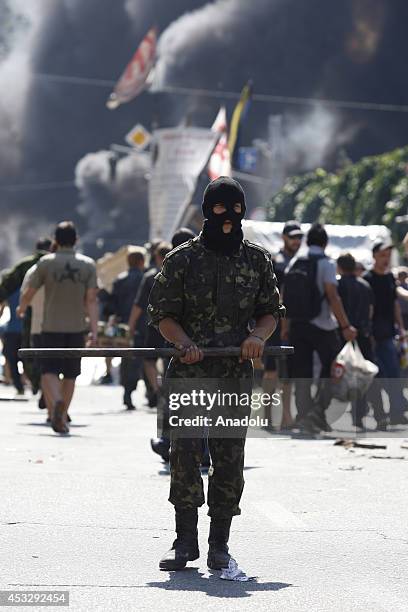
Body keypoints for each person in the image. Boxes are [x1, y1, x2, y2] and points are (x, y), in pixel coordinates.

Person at [148, 176, 284, 571]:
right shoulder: (182, 260)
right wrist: (184, 342)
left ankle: (219, 543)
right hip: (189, 374)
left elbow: (270, 311)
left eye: (235, 209)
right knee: (186, 455)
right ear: (208, 211)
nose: (228, 217)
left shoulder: (256, 259)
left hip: (232, 373)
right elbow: (163, 315)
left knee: (229, 457)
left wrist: (258, 336)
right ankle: (184, 541)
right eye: (221, 209)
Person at [17, 221, 98, 434]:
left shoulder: (46, 263)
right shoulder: (88, 264)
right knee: (71, 375)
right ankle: (62, 415)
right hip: (77, 327)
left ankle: (57, 402)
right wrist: (95, 330)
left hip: (50, 326)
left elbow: (30, 291)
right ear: (76, 240)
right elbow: (91, 300)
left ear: (56, 240)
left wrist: (22, 308)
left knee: (48, 371)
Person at [282, 223, 357, 433]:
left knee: (302, 374)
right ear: (325, 242)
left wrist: (285, 326)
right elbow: (332, 295)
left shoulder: (296, 261)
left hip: (297, 324)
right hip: (322, 324)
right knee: (336, 368)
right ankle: (317, 412)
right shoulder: (326, 263)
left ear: (307, 241)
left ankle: (307, 417)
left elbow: (286, 296)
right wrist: (345, 325)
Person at [337, 253, 387, 430]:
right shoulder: (365, 285)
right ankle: (379, 415)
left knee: (341, 374)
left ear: (340, 267)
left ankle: (325, 414)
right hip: (364, 336)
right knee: (368, 376)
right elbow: (371, 311)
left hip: (343, 336)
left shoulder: (339, 284)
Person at [363, 240, 408, 425]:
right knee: (376, 378)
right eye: (382, 255)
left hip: (388, 334)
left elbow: (395, 304)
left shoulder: (390, 277)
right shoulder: (368, 278)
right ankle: (380, 415)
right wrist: (368, 333)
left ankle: (397, 412)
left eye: (388, 255)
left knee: (394, 374)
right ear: (374, 256)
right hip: (373, 336)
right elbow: (367, 309)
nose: (386, 259)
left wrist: (401, 329)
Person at [0, 237, 52, 395]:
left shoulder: (24, 267)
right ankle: (42, 388)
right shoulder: (56, 265)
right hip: (50, 322)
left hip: (20, 324)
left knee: (18, 357)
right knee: (46, 357)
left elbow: (4, 292)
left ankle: (30, 386)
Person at [265, 221, 303, 430]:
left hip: (295, 323)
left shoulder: (301, 261)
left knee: (288, 375)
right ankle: (268, 417)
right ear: (284, 238)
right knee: (271, 372)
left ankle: (286, 418)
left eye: (299, 237)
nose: (296, 241)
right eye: (292, 237)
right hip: (275, 322)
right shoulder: (275, 261)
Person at [110, 248, 145, 410]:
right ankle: (138, 389)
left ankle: (127, 391)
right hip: (143, 324)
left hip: (123, 324)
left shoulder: (119, 280)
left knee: (126, 358)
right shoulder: (145, 279)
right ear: (141, 262)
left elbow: (112, 305)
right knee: (141, 358)